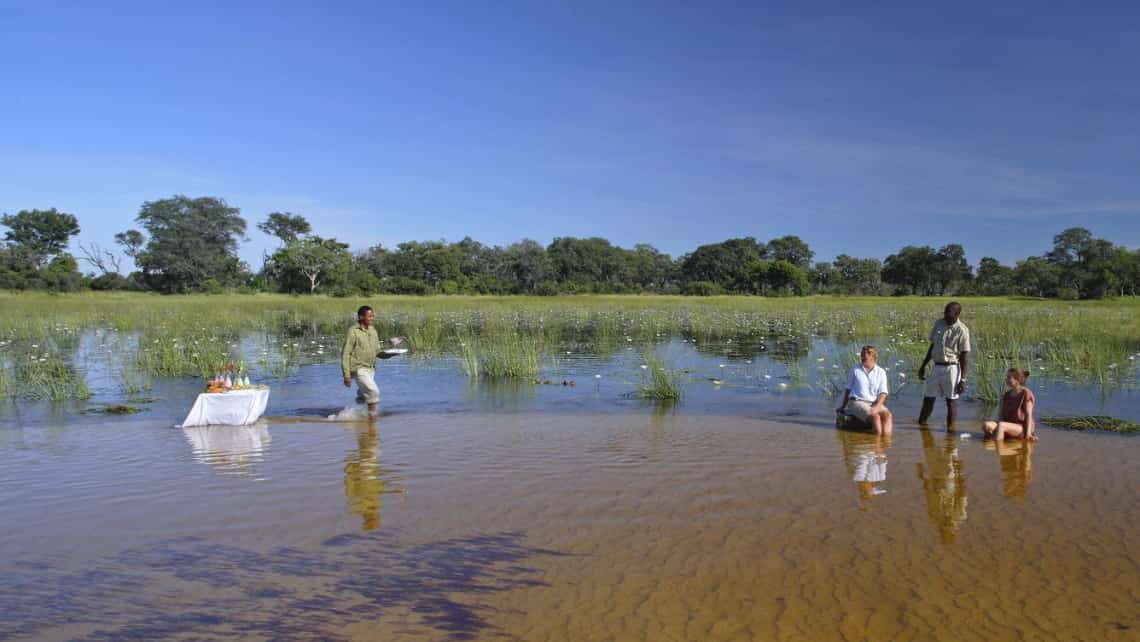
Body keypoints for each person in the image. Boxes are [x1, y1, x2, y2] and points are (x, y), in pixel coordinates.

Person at [341, 305, 401, 419]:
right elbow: (345, 354)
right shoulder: (353, 332)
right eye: (369, 316)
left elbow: (378, 352)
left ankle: (356, 417)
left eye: (372, 316)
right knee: (373, 392)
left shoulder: (373, 331)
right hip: (358, 369)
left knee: (363, 397)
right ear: (361, 317)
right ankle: (372, 420)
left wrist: (393, 353)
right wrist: (346, 375)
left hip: (370, 369)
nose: (372, 318)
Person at [918, 301, 971, 428]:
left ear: (957, 314)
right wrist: (923, 365)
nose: (946, 316)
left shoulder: (962, 330)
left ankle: (950, 433)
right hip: (936, 367)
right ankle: (921, 426)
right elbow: (933, 346)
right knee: (928, 398)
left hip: (952, 368)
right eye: (945, 313)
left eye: (950, 314)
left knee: (951, 401)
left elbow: (964, 356)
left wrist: (963, 379)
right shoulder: (939, 323)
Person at [837, 345, 893, 435]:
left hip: (873, 402)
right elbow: (848, 389)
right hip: (856, 401)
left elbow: (883, 393)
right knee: (875, 417)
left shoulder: (881, 372)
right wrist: (843, 406)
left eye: (864, 356)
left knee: (888, 415)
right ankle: (877, 444)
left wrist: (878, 406)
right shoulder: (855, 370)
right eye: (861, 355)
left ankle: (885, 443)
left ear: (873, 356)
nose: (862, 358)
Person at [983, 368, 1037, 442]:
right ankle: (999, 441)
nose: (1006, 379)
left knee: (1001, 426)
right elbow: (1001, 415)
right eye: (1006, 377)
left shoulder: (1026, 393)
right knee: (986, 425)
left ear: (1017, 380)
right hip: (1008, 425)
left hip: (1022, 428)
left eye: (1009, 377)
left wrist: (1028, 434)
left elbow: (1028, 415)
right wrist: (997, 424)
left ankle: (999, 448)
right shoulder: (1006, 395)